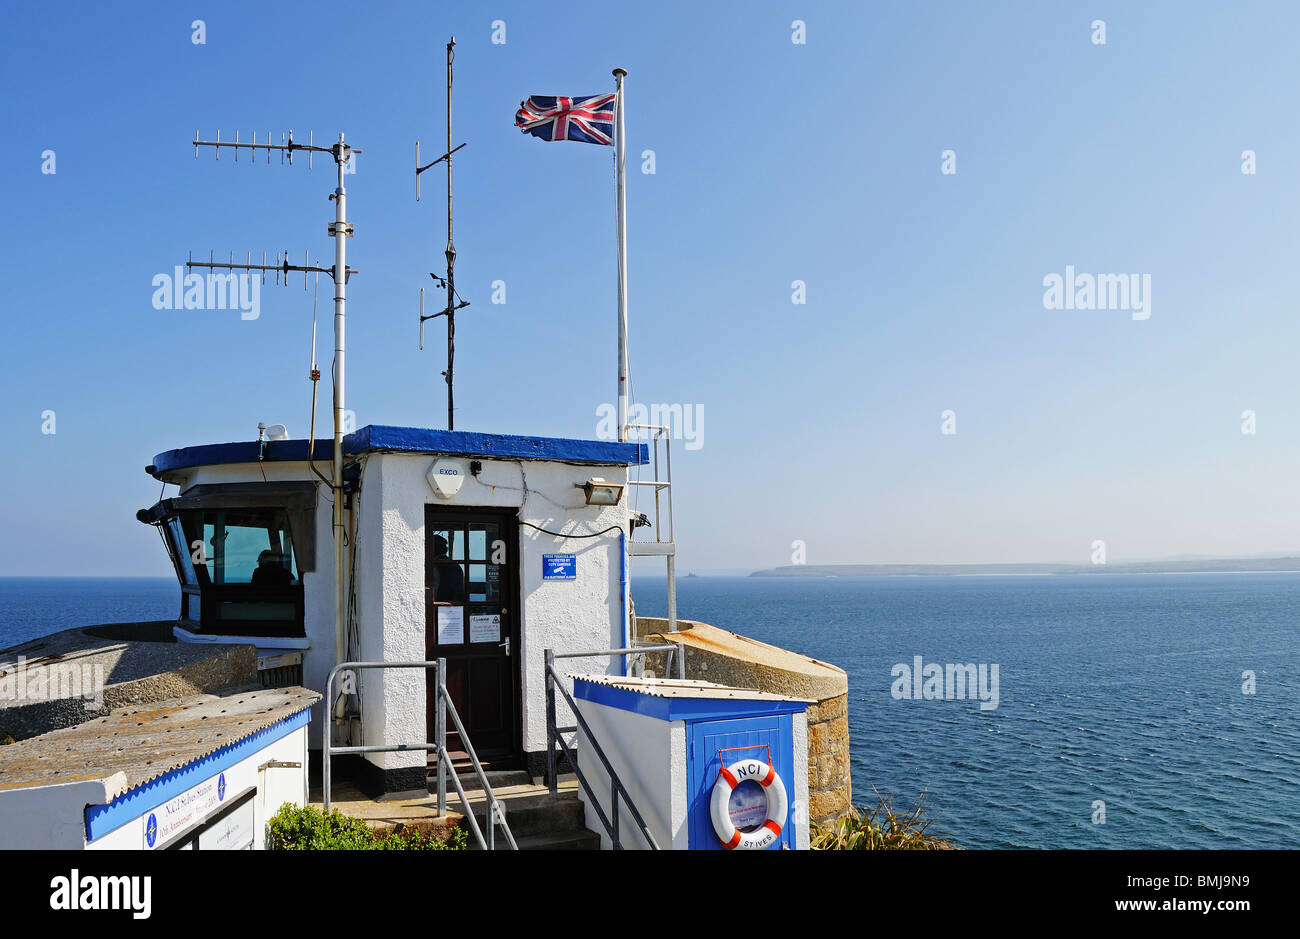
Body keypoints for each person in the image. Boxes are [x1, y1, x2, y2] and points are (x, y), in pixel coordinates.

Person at [431, 535, 466, 601]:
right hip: (455, 604)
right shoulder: (456, 566)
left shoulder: (434, 567)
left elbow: (434, 591)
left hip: (439, 603)